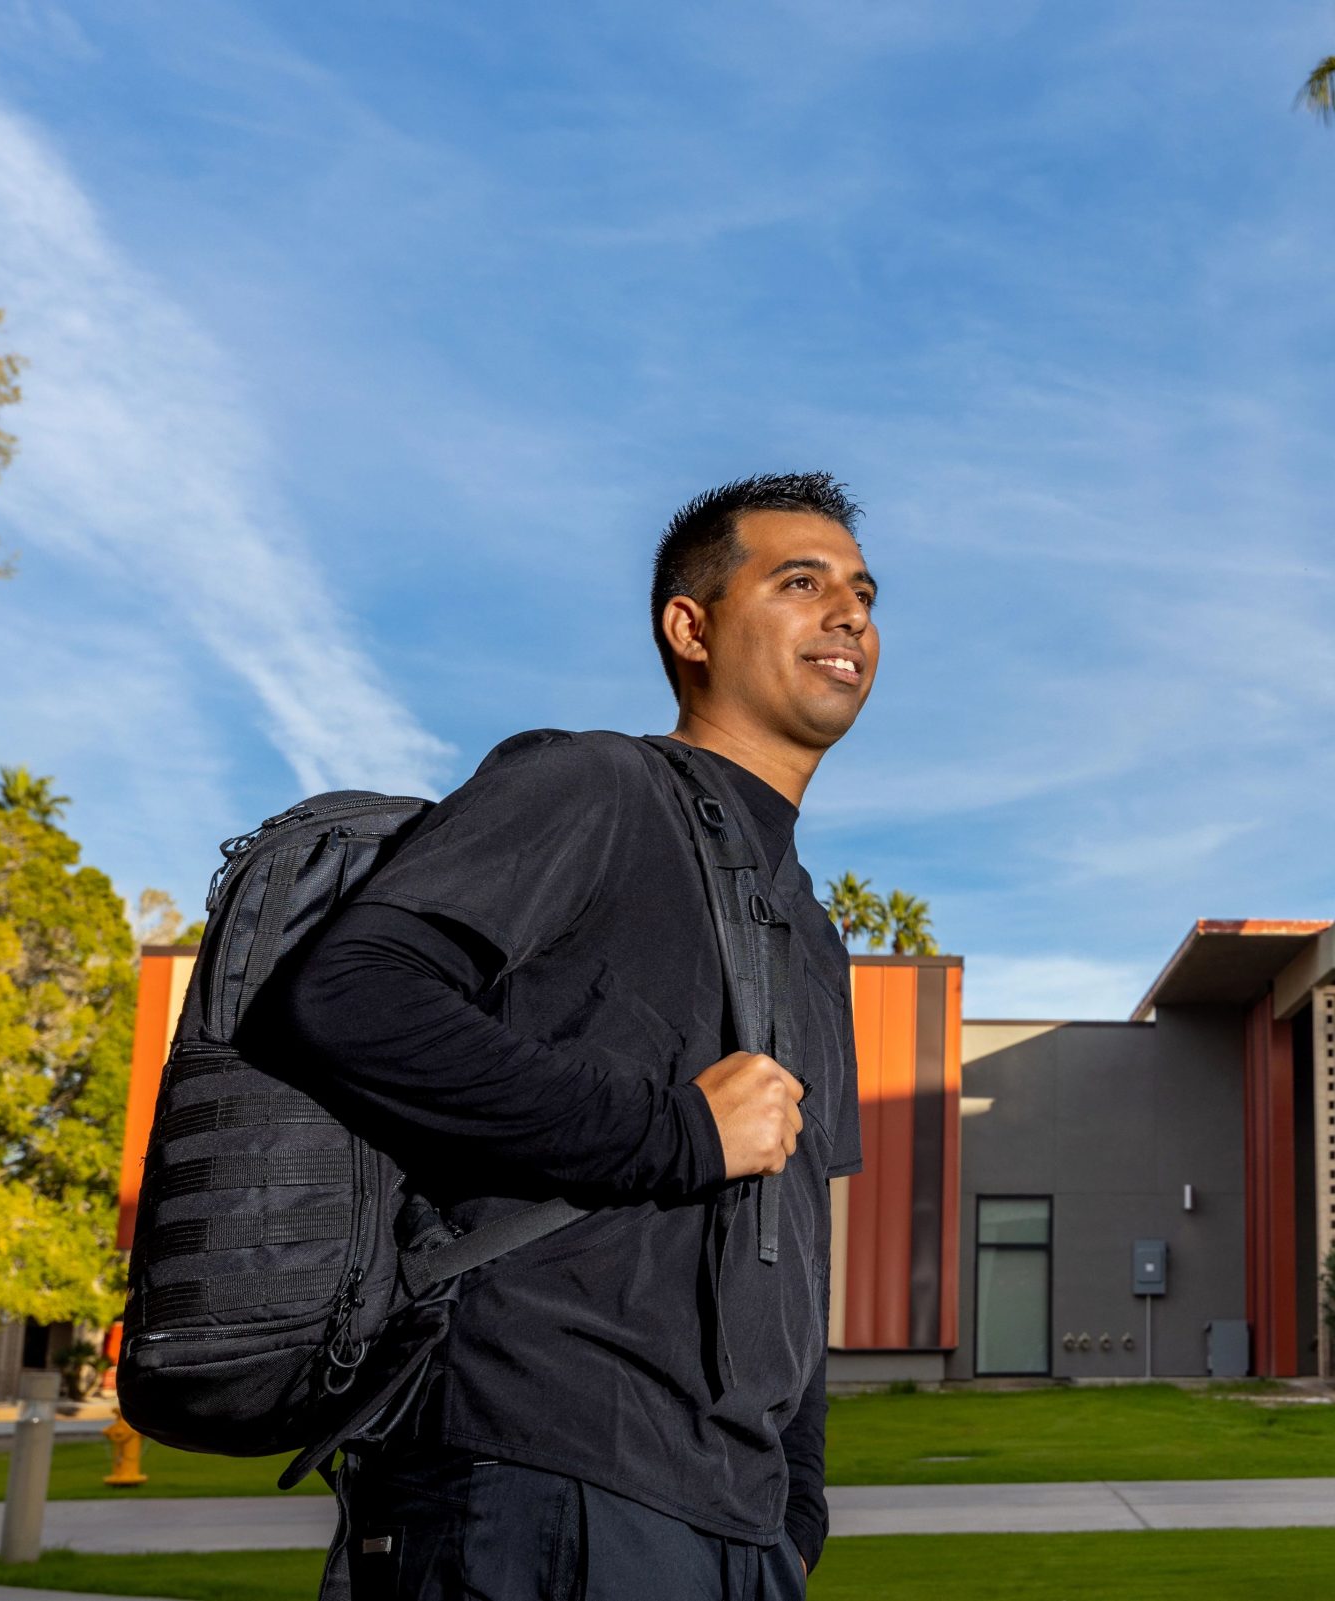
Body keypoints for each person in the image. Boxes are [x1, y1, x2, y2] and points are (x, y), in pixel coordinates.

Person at [255, 473, 880, 1599]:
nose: (849, 614)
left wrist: (797, 1504)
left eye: (863, 593)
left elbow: (795, 1231)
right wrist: (675, 1130)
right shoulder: (596, 785)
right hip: (537, 1471)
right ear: (690, 626)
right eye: (801, 582)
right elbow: (348, 994)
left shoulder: (812, 931)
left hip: (738, 1521)